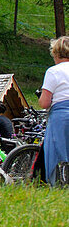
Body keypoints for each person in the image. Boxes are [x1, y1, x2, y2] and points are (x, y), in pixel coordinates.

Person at [39, 35, 69, 184]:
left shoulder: (53, 72)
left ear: (56, 53)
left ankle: (58, 183)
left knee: (58, 150)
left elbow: (45, 103)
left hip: (61, 115)